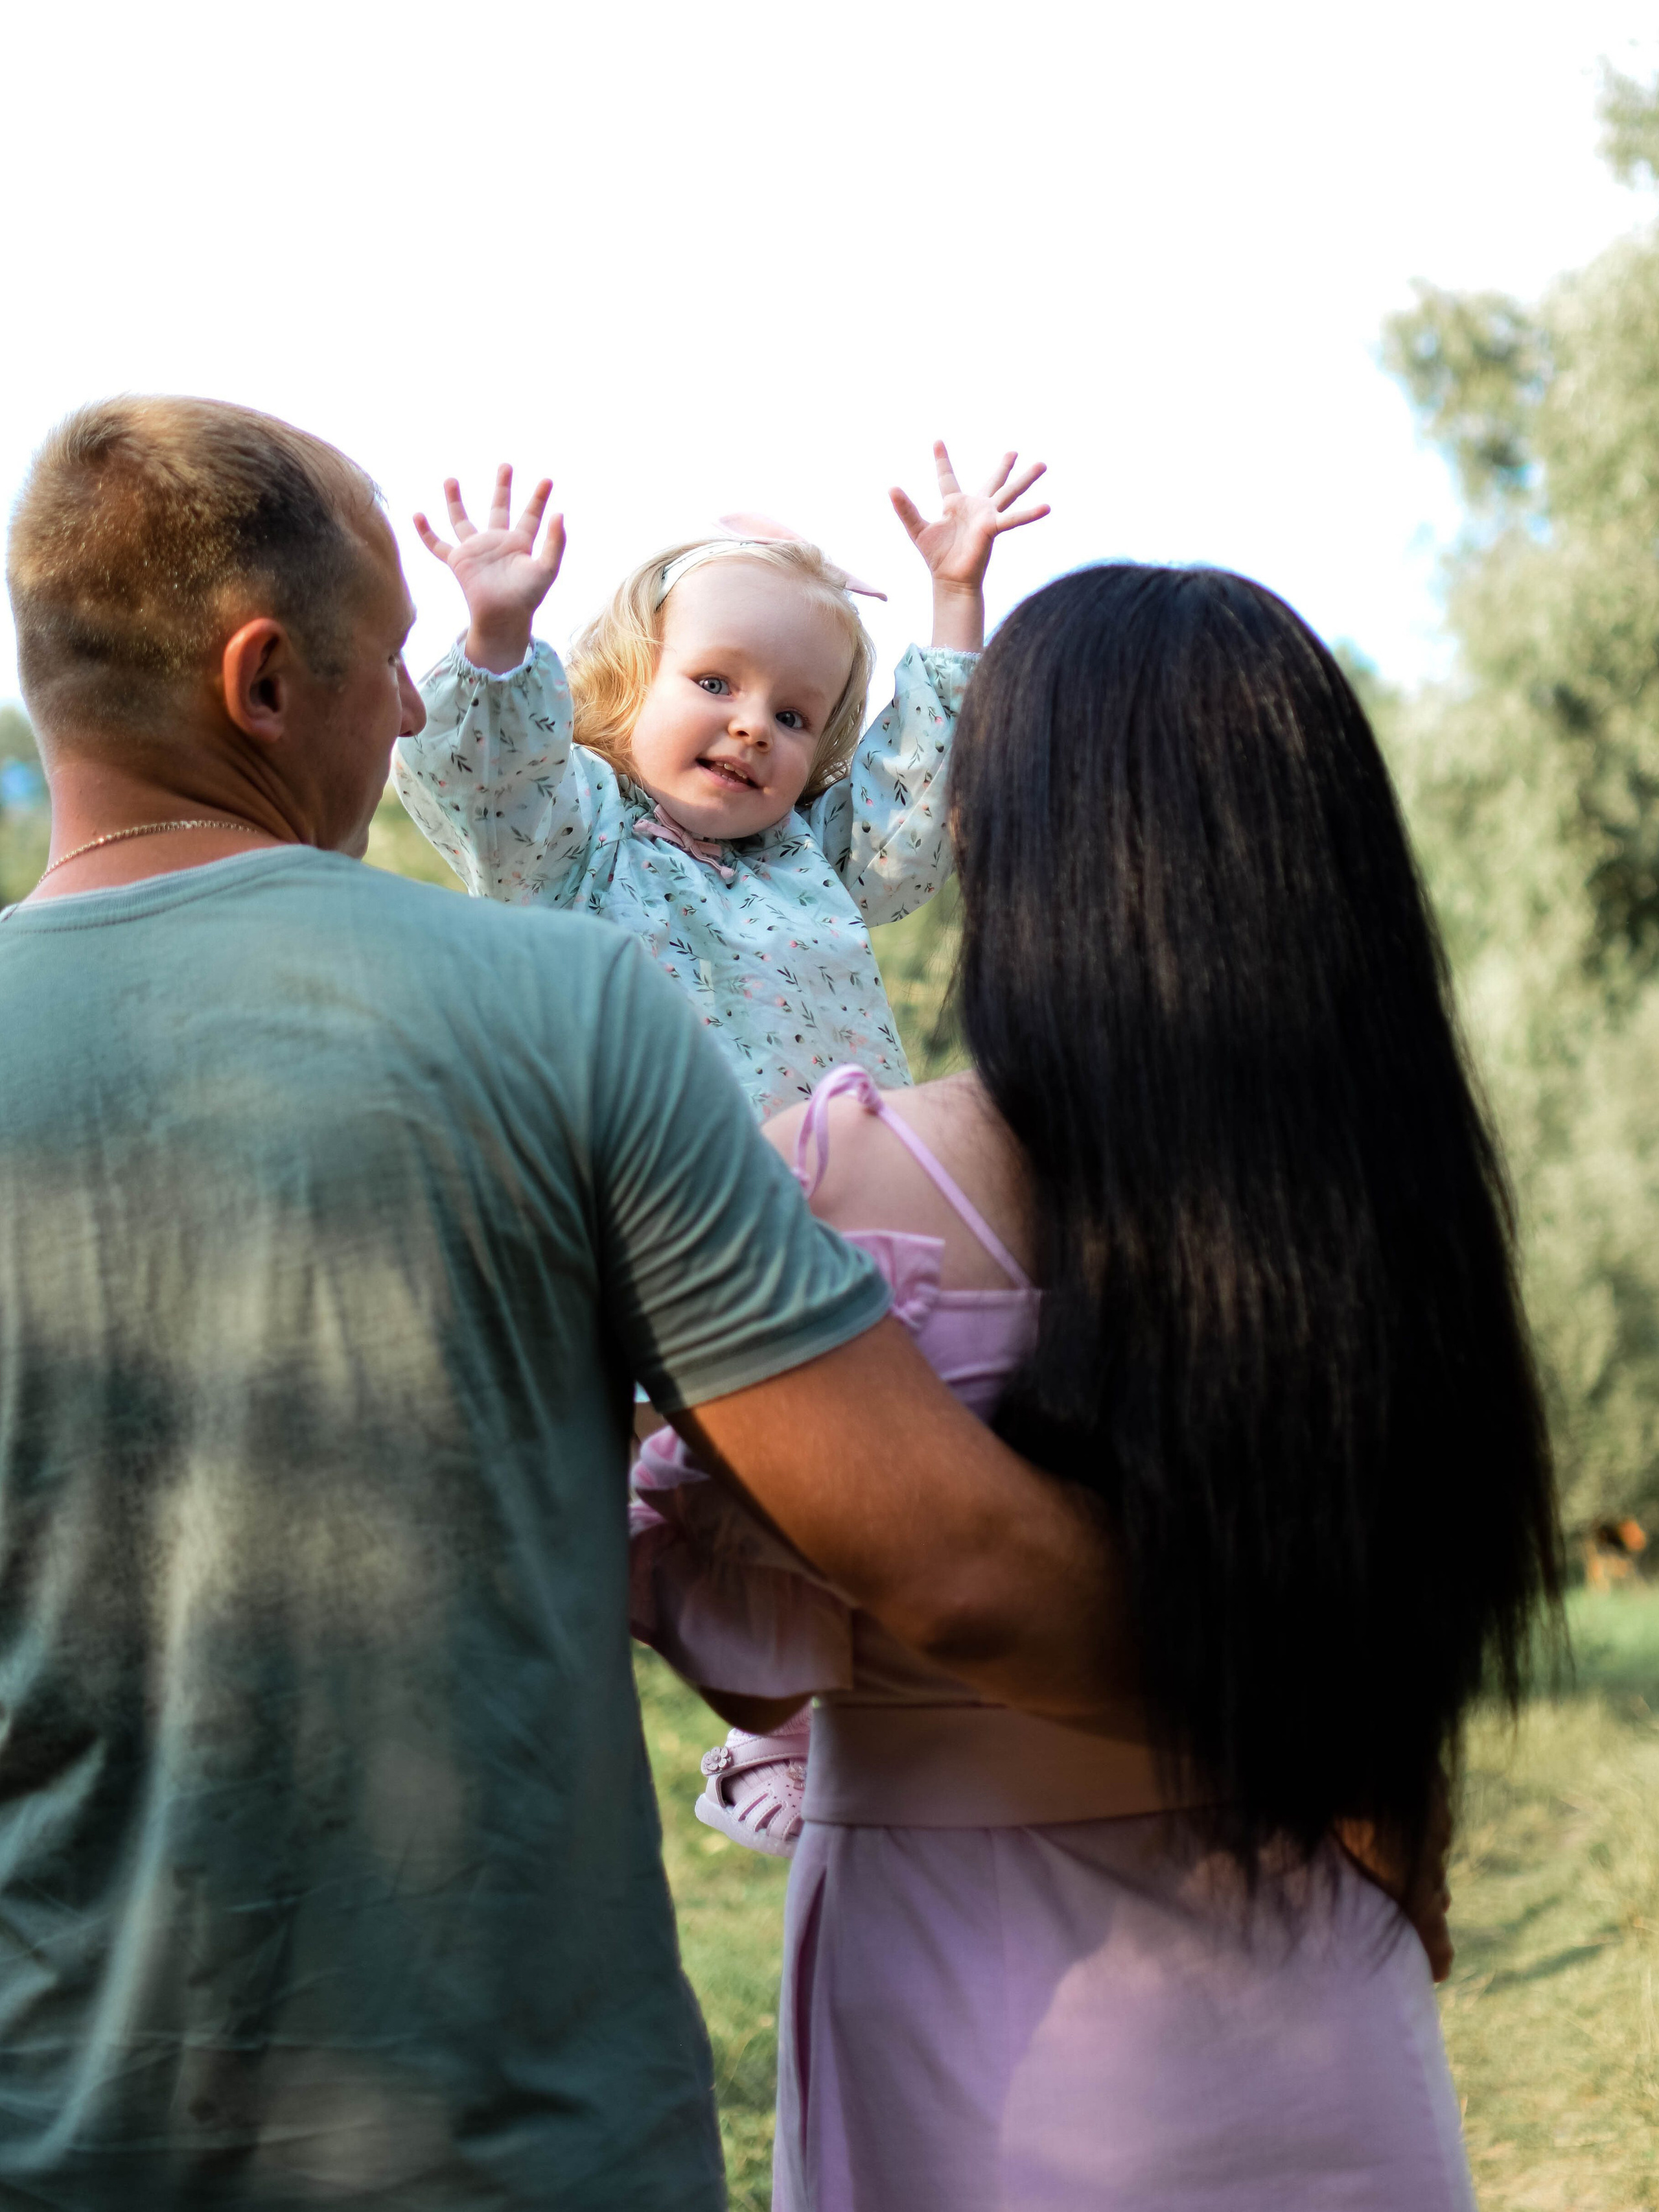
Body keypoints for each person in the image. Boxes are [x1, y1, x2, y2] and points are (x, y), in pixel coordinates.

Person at [0, 395, 1130, 2212]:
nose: (415, 710)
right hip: (516, 2138)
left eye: (794, 713)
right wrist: (1307, 1693)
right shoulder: (568, 989)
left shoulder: (764, 881)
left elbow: (906, 813)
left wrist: (948, 606)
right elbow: (958, 1561)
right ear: (266, 679)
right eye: (396, 662)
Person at [630, 563, 1563, 2209]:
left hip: (983, 2023)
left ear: (994, 834)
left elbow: (759, 1676)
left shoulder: (831, 1184)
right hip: (1325, 1990)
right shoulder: (1384, 1212)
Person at [393, 444, 1048, 1119]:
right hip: (626, 1171)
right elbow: (494, 779)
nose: (754, 727)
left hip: (817, 1176)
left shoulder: (809, 856)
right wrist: (500, 636)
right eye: (714, 683)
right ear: (633, 676)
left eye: (792, 717)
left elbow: (914, 801)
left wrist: (956, 596)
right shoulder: (576, 831)